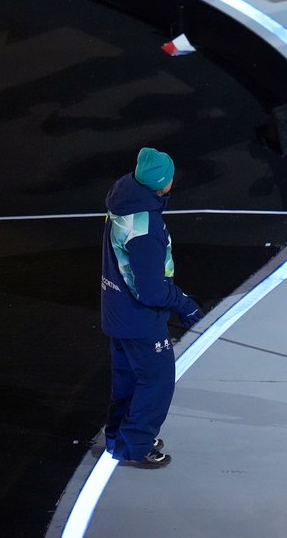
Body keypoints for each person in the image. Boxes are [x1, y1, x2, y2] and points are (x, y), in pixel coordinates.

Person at [101, 147, 203, 469]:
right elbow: (151, 290)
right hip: (140, 319)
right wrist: (185, 305)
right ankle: (137, 445)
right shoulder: (146, 229)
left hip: (117, 310)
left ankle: (119, 437)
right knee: (156, 381)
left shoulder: (123, 203)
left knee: (128, 379)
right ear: (162, 184)